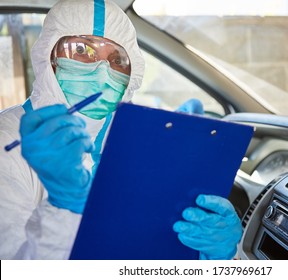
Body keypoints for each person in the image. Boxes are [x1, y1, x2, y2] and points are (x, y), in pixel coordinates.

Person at [0, 0, 242, 260]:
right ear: (50, 57)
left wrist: (219, 258)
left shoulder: (138, 140)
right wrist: (65, 203)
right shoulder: (7, 139)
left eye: (117, 59)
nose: (103, 71)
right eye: (82, 50)